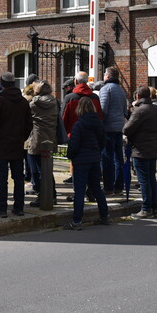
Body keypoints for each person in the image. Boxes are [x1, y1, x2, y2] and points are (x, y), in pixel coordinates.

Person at [0, 72, 32, 217]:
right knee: (18, 178)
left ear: (2, 83)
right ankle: (19, 207)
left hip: (1, 146)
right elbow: (29, 124)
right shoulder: (23, 102)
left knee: (2, 178)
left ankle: (1, 208)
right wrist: (21, 137)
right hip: (17, 145)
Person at [65, 97, 111, 230]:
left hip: (81, 160)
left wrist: (70, 155)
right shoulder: (99, 123)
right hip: (95, 159)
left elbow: (74, 144)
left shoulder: (78, 125)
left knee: (79, 190)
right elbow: (103, 141)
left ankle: (77, 220)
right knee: (96, 188)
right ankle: (104, 215)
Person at [124, 85, 157, 218]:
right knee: (152, 178)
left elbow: (127, 129)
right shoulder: (156, 109)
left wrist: (133, 110)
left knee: (144, 180)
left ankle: (146, 209)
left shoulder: (140, 110)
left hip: (140, 150)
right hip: (153, 148)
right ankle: (155, 208)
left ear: (138, 96)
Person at [26, 80, 59, 207]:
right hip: (50, 138)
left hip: (36, 138)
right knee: (47, 169)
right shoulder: (53, 101)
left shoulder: (34, 103)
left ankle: (42, 196)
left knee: (36, 170)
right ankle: (52, 195)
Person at [98, 66, 127, 195]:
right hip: (119, 127)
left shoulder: (106, 89)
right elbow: (125, 111)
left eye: (104, 74)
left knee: (107, 158)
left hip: (108, 128)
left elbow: (103, 109)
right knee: (118, 158)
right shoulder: (121, 91)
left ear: (108, 77)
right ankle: (119, 186)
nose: (103, 76)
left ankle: (108, 187)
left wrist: (99, 125)